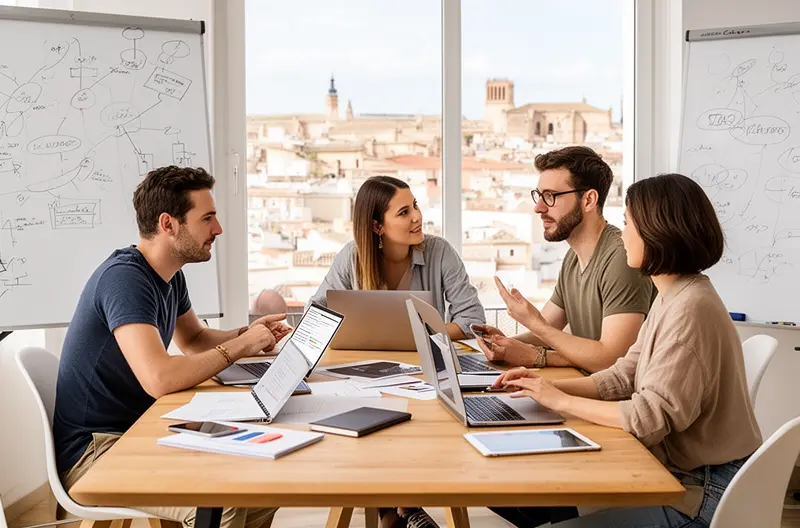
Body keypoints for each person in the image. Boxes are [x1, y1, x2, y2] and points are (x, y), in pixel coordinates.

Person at [490, 173, 762, 527]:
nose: (623, 237)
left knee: (531, 491)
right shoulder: (673, 295)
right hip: (676, 473)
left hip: (698, 493)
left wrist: (562, 402)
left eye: (628, 224)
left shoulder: (691, 310)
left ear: (658, 231)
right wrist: (540, 389)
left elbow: (646, 419)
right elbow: (623, 376)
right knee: (524, 494)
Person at [54, 166, 291, 528]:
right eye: (207, 218)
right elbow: (159, 379)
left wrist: (247, 333)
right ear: (169, 224)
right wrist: (242, 346)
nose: (218, 229)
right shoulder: (125, 280)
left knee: (258, 486)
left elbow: (193, 340)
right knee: (221, 505)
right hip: (96, 451)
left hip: (136, 431)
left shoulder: (168, 274)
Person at [473, 146, 655, 373]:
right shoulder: (572, 257)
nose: (539, 207)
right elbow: (547, 330)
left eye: (550, 196)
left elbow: (613, 358)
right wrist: (506, 344)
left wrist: (536, 353)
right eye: (539, 196)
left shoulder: (621, 258)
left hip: (618, 402)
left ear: (589, 200)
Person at [309, 175, 484, 341]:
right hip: (366, 364)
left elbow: (473, 319)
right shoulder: (352, 257)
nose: (417, 216)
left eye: (415, 205)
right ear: (377, 226)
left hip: (426, 363)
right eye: (404, 212)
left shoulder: (440, 251)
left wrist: (420, 335)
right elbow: (315, 315)